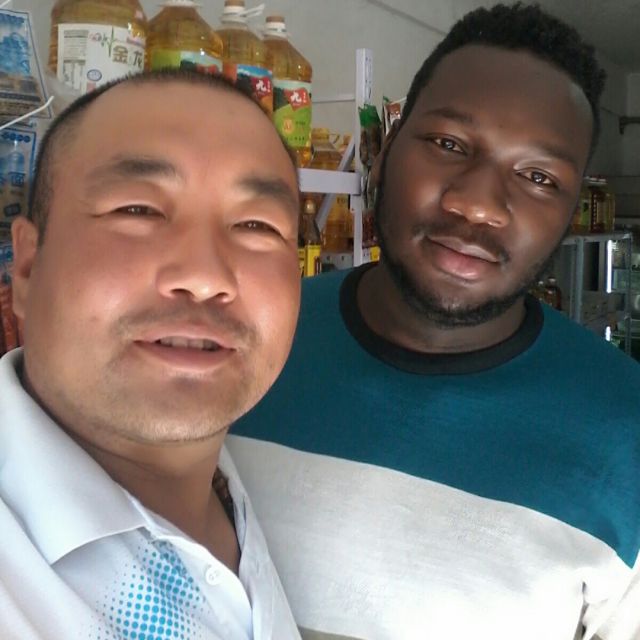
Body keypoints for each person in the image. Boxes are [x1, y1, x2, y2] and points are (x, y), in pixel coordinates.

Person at [228, 4, 640, 639]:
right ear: (385, 151)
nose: (477, 205)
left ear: (571, 210)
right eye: (448, 144)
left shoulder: (627, 434)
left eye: (538, 177)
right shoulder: (241, 336)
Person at [0, 70, 303, 639]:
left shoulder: (238, 492)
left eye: (257, 225)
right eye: (137, 211)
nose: (205, 276)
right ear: (28, 267)